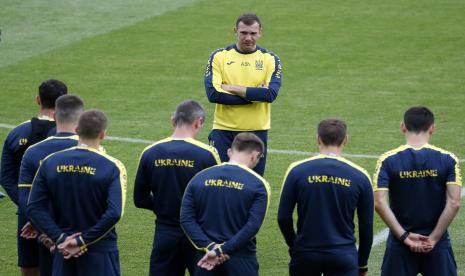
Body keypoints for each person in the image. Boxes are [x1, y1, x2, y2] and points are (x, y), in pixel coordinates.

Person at [26, 110, 127, 276]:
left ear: (77, 130)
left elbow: (34, 207)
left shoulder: (50, 161)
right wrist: (81, 241)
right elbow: (114, 213)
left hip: (62, 251)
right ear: (103, 134)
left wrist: (61, 239)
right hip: (99, 251)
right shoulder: (113, 166)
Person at [133, 100, 220, 276]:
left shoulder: (150, 152)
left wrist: (162, 205)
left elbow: (140, 199)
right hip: (198, 235)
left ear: (173, 121)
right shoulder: (207, 154)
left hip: (165, 233)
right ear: (198, 122)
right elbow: (216, 199)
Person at [277, 119, 374, 276]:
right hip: (343, 254)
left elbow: (283, 217)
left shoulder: (297, 170)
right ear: (345, 140)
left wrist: (294, 246)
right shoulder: (360, 176)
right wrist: (362, 264)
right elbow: (366, 226)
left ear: (318, 139)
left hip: (306, 253)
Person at [374, 106, 462, 276]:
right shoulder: (448, 159)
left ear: (402, 126)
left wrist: (404, 236)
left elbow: (379, 202)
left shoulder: (387, 160)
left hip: (400, 244)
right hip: (438, 244)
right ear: (432, 128)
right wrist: (433, 238)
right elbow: (454, 203)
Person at [0, 79, 67, 276]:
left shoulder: (16, 133)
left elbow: (5, 177)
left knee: (29, 266)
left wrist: (27, 206)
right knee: (65, 264)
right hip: (62, 216)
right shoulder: (71, 137)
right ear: (64, 101)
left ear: (38, 99)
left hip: (27, 214)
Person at [180, 132, 270, 276]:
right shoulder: (259, 184)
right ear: (255, 156)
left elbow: (186, 219)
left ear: (229, 152)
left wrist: (211, 247)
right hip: (241, 260)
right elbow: (252, 226)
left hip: (205, 258)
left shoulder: (199, 178)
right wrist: (222, 250)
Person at [204, 13, 282, 176]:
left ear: (260, 32)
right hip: (223, 131)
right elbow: (213, 94)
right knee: (218, 180)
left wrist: (231, 87)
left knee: (252, 183)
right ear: (235, 31)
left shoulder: (270, 59)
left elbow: (270, 94)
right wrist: (254, 96)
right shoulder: (219, 56)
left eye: (253, 33)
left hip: (256, 133)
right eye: (244, 33)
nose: (248, 38)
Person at [18, 95, 84, 276]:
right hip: (81, 237)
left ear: (54, 117)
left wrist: (49, 233)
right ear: (81, 118)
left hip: (46, 235)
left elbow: (27, 201)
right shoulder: (93, 152)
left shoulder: (33, 152)